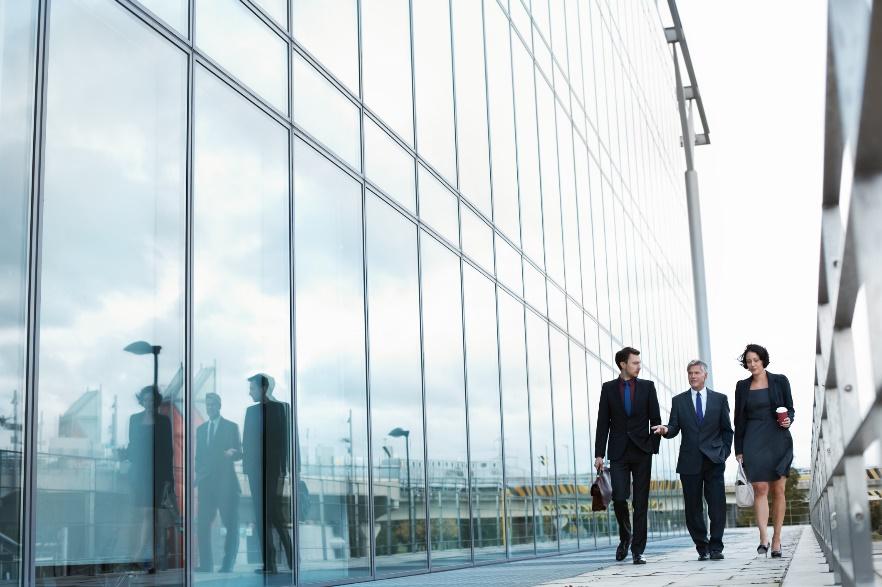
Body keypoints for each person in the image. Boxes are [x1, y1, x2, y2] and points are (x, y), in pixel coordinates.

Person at [653, 360, 733, 560]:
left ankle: (716, 547)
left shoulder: (720, 399)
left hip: (714, 460)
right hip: (689, 461)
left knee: (716, 505)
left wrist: (723, 453)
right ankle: (702, 546)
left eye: (697, 372)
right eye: (690, 373)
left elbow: (727, 430)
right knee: (693, 507)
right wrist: (665, 430)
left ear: (705, 375)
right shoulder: (679, 401)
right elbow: (673, 428)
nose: (692, 376)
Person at [594, 347, 661, 564]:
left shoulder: (648, 387)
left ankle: (637, 550)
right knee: (620, 498)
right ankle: (626, 537)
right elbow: (603, 423)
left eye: (639, 363)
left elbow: (656, 419)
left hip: (642, 451)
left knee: (640, 503)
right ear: (623, 364)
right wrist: (599, 454)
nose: (638, 366)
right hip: (619, 451)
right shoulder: (608, 389)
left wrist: (653, 446)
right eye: (635, 363)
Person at [734, 343, 794, 558]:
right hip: (753, 438)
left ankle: (777, 539)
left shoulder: (780, 380)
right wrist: (738, 448)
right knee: (760, 488)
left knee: (778, 489)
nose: (752, 365)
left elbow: (790, 408)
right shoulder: (742, 386)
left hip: (778, 437)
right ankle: (763, 538)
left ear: (763, 360)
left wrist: (788, 421)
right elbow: (738, 419)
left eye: (755, 360)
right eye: (749, 361)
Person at [243, 373, 293, 574]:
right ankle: (269, 564)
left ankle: (291, 557)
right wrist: (247, 468)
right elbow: (247, 441)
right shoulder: (250, 411)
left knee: (273, 513)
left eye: (252, 388)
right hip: (255, 470)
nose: (249, 392)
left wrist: (285, 468)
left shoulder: (280, 408)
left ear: (263, 388)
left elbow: (285, 440)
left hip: (273, 469)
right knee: (259, 514)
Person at [128, 385, 174, 573]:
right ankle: (150, 555)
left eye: (152, 400)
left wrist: (169, 479)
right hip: (139, 473)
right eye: (145, 400)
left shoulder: (164, 421)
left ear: (157, 401)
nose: (148, 403)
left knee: (148, 512)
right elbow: (133, 446)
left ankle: (138, 555)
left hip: (157, 473)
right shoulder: (134, 419)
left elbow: (168, 451)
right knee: (141, 514)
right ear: (142, 401)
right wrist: (124, 455)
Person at [195, 393, 242, 573]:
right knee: (202, 524)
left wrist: (232, 453)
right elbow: (199, 457)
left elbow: (239, 452)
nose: (210, 408)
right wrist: (199, 475)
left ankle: (227, 565)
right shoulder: (201, 430)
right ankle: (206, 565)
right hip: (206, 485)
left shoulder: (231, 427)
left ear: (219, 406)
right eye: (207, 405)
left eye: (213, 405)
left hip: (226, 484)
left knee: (230, 524)